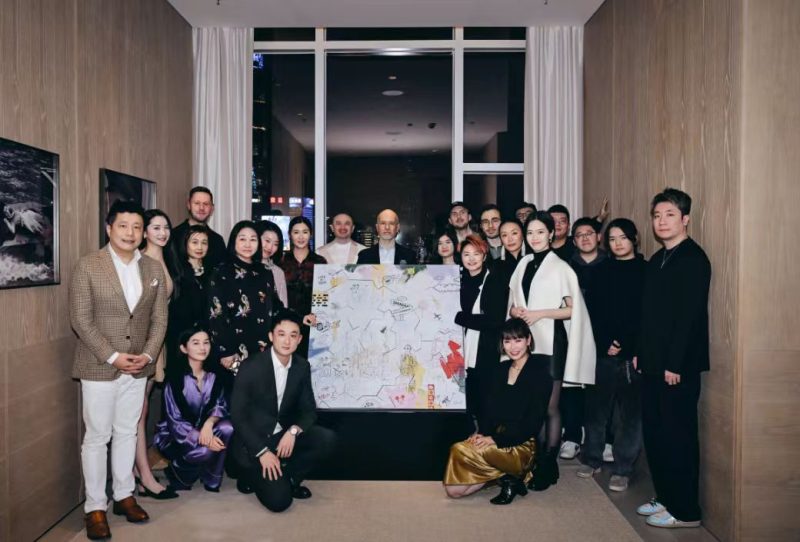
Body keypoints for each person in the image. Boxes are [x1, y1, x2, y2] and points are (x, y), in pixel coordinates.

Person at [70, 200, 168, 540]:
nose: (130, 233)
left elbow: (159, 319)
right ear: (109, 228)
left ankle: (124, 495)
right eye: (123, 226)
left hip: (139, 366)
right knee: (97, 437)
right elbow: (80, 319)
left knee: (127, 431)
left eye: (137, 227)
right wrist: (113, 356)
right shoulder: (88, 265)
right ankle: (95, 507)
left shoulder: (152, 268)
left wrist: (148, 354)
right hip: (99, 365)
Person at [635, 188, 710, 529]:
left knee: (678, 437)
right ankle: (666, 496)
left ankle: (686, 510)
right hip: (652, 364)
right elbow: (648, 315)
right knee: (656, 434)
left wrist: (674, 364)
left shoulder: (693, 259)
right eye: (657, 215)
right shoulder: (657, 259)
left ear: (685, 219)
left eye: (669, 215)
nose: (661, 221)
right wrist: (640, 352)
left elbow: (688, 318)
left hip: (677, 367)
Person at [507, 211, 596, 491]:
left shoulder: (561, 267)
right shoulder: (523, 264)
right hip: (528, 344)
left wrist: (540, 313)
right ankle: (536, 460)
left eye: (540, 232)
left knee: (550, 406)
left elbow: (573, 308)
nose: (534, 237)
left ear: (551, 234)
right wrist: (516, 312)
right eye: (530, 232)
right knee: (533, 405)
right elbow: (512, 303)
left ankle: (549, 463)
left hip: (553, 343)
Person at [230, 309, 337, 512]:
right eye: (281, 334)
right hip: (254, 441)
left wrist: (293, 431)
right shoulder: (251, 366)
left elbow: (309, 411)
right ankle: (250, 475)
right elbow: (238, 415)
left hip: (281, 435)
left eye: (293, 335)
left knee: (326, 439)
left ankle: (290, 478)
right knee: (280, 502)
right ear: (271, 336)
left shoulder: (301, 366)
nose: (287, 341)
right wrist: (262, 452)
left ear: (299, 339)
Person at [443, 318, 552, 505]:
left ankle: (517, 472)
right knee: (454, 491)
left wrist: (494, 439)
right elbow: (488, 410)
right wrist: (482, 433)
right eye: (507, 341)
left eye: (518, 340)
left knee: (459, 449)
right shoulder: (500, 370)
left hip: (521, 444)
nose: (513, 347)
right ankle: (505, 477)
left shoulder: (540, 374)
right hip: (495, 439)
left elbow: (532, 423)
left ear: (528, 340)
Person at [577, 218, 646, 492]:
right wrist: (607, 343)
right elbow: (592, 312)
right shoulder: (601, 270)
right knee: (596, 411)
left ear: (634, 239)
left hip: (633, 355)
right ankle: (592, 459)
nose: (618, 243)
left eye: (623, 238)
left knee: (630, 416)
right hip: (603, 352)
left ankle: (623, 469)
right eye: (613, 239)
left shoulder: (646, 270)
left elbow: (646, 314)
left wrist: (626, 344)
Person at [134, 210, 178, 500]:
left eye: (166, 227)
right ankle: (143, 474)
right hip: (143, 343)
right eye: (156, 227)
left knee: (143, 409)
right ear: (145, 231)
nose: (162, 232)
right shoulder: (140, 261)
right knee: (138, 411)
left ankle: (137, 471)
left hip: (159, 341)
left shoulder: (166, 258)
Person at [207, 220, 284, 388]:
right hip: (233, 350)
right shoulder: (221, 271)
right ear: (234, 241)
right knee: (237, 397)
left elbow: (276, 307)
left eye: (253, 239)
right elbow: (216, 314)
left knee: (261, 397)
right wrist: (225, 351)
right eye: (242, 239)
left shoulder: (265, 272)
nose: (248, 244)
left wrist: (300, 318)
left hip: (262, 348)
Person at [155, 327, 233, 492]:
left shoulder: (214, 375)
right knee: (205, 451)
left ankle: (212, 478)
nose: (202, 348)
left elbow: (220, 405)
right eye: (196, 343)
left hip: (204, 429)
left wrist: (209, 424)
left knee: (227, 427)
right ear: (184, 348)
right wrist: (205, 439)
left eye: (206, 342)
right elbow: (175, 422)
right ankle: (177, 468)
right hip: (175, 436)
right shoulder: (175, 379)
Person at [558, 217, 609, 460]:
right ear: (574, 240)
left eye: (589, 233)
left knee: (602, 389)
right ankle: (572, 437)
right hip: (573, 333)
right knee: (572, 386)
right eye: (579, 235)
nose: (585, 238)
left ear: (598, 237)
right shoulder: (566, 268)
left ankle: (606, 439)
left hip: (604, 336)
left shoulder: (610, 264)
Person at [454, 235, 508, 424]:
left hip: (486, 349)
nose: (471, 259)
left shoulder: (494, 280)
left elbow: (494, 320)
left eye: (476, 254)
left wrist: (460, 318)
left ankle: (485, 436)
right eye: (466, 254)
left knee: (486, 400)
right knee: (465, 401)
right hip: (459, 349)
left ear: (484, 256)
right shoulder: (457, 281)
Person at [279, 216, 326, 357]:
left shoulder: (320, 262)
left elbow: (325, 294)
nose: (301, 237)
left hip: (313, 323)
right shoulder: (280, 262)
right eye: (296, 232)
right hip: (285, 323)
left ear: (311, 234)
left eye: (305, 232)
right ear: (289, 235)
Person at [167, 225, 211, 368]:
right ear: (185, 244)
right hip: (181, 336)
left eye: (204, 242)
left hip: (206, 338)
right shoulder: (176, 272)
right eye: (194, 242)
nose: (200, 247)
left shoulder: (213, 272)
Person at [171, 187, 227, 271]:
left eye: (206, 204)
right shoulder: (174, 236)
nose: (201, 208)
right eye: (197, 203)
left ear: (212, 208)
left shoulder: (217, 240)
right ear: (189, 205)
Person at [255, 220, 289, 307]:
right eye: (267, 241)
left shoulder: (278, 272)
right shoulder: (244, 266)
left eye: (276, 244)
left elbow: (283, 306)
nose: (270, 247)